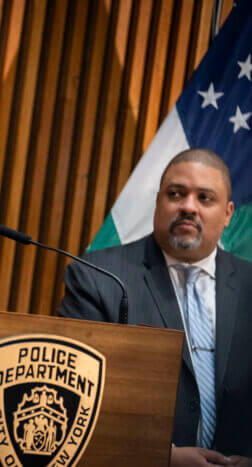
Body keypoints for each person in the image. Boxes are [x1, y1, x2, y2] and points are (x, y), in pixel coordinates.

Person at [59, 149, 252, 466]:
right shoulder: (98, 276)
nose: (188, 207)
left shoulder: (249, 285)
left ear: (229, 213)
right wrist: (163, 457)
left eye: (205, 198)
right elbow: (75, 395)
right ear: (158, 200)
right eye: (176, 194)